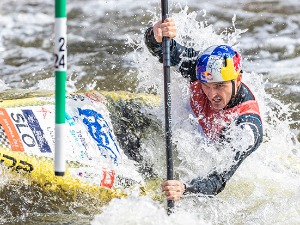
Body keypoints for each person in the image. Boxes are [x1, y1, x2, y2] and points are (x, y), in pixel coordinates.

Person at [144, 18, 263, 200]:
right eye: (206, 85)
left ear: (237, 80)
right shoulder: (198, 67)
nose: (212, 94)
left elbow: (218, 180)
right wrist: (157, 35)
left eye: (220, 86)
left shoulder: (246, 128)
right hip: (193, 131)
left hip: (216, 156)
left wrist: (185, 189)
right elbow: (161, 49)